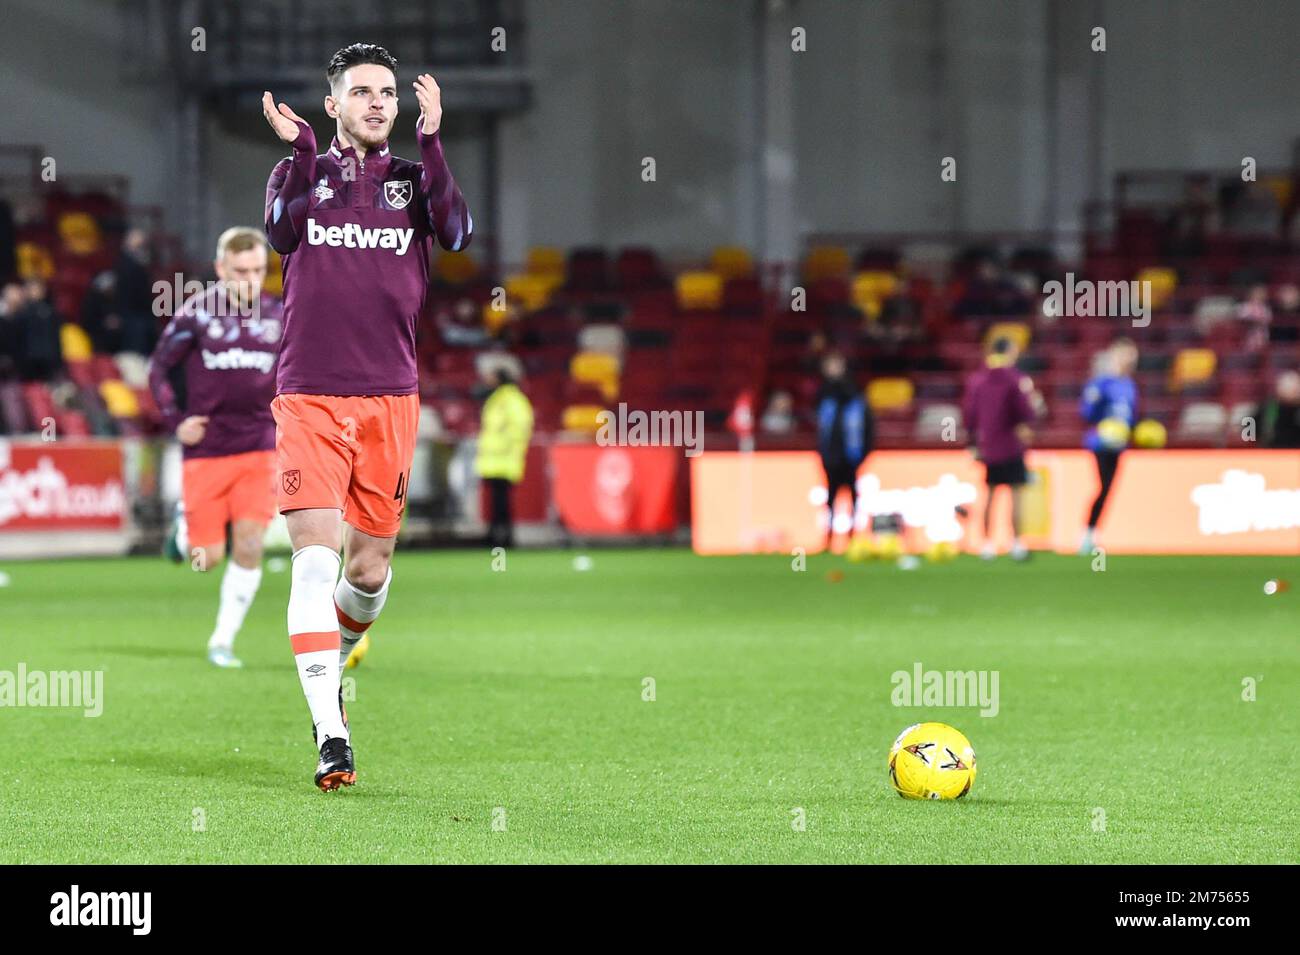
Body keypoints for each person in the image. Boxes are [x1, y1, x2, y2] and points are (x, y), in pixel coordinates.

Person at [263, 42, 471, 790]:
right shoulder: (300, 172)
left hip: (391, 395)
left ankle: (336, 652)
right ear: (333, 104)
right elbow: (282, 232)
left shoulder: (416, 181)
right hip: (311, 393)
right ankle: (330, 729)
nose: (379, 102)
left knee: (369, 573)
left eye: (388, 92)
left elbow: (455, 232)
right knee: (315, 561)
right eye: (362, 92)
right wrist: (306, 155)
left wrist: (435, 139)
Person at [147, 227, 284, 669]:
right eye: (240, 271)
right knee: (207, 560)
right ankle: (184, 525)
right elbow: (159, 371)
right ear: (221, 269)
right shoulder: (197, 315)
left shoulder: (281, 315)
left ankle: (222, 640)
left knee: (249, 543)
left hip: (260, 445)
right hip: (207, 450)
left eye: (258, 271)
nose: (249, 280)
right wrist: (176, 421)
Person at [962, 336, 1043, 560]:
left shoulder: (977, 380)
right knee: (1016, 493)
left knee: (990, 493)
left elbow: (969, 415)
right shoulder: (1016, 379)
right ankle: (1016, 544)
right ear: (1009, 352)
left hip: (989, 446)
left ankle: (987, 545)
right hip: (1011, 444)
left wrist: (972, 442)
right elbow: (1025, 412)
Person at [1078, 337, 1139, 554]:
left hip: (1119, 444)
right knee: (1103, 487)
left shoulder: (1130, 385)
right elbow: (1086, 413)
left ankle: (1092, 532)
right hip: (1101, 443)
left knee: (1108, 489)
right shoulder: (1101, 383)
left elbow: (1132, 416)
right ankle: (1087, 534)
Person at [474, 356, 534, 548]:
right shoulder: (500, 398)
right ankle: (495, 535)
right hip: (494, 459)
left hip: (504, 458)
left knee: (502, 502)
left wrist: (507, 447)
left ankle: (504, 538)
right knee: (496, 501)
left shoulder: (510, 399)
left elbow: (520, 427)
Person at [815, 351, 872, 551]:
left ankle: (853, 537)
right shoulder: (824, 394)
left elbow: (868, 428)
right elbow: (820, 429)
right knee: (830, 499)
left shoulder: (855, 395)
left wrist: (863, 454)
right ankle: (828, 537)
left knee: (853, 498)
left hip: (850, 457)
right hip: (831, 458)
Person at [15, 278, 63, 382]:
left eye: (38, 288)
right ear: (25, 291)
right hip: (27, 360)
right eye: (32, 288)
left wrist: (58, 359)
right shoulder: (20, 312)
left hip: (48, 358)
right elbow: (16, 338)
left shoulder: (50, 311)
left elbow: (55, 337)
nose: (35, 291)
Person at [1260, 370, 1300, 448]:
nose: (1292, 392)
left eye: (1295, 389)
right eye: (1288, 388)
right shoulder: (1270, 407)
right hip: (1274, 452)